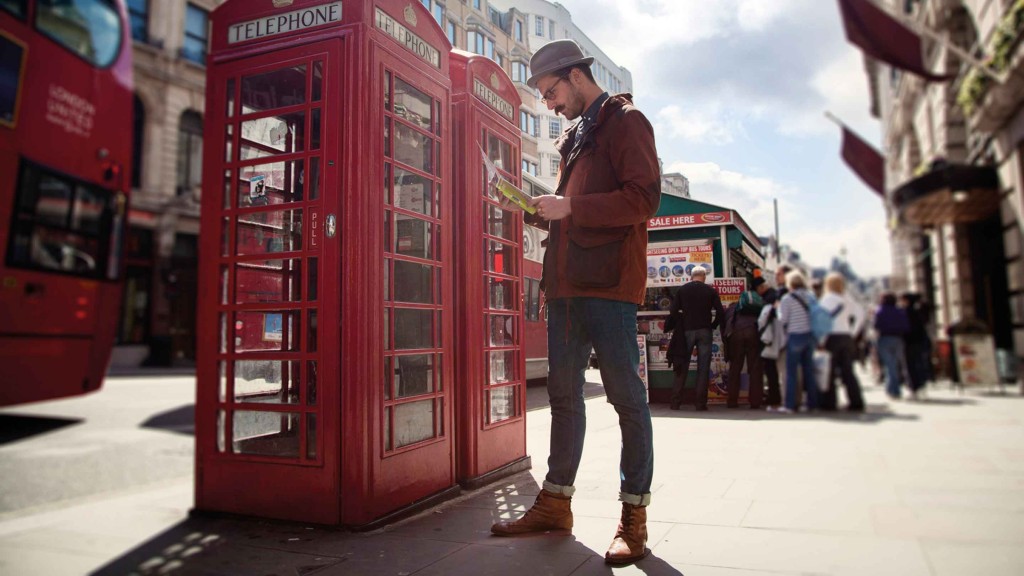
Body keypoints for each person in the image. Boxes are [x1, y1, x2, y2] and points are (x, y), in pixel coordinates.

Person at [488, 39, 661, 567]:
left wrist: (570, 206)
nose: (549, 104)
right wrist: (539, 212)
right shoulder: (574, 135)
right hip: (564, 286)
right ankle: (555, 503)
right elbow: (574, 211)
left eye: (551, 92)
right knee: (563, 399)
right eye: (544, 96)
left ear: (576, 74)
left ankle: (634, 518)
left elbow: (643, 198)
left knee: (627, 400)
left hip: (608, 285)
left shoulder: (626, 121)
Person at [664, 266, 725, 412]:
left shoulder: (682, 290)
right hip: (705, 331)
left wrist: (683, 319)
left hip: (687, 331)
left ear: (692, 276)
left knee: (682, 365)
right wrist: (712, 325)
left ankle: (675, 402)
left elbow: (672, 311)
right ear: (703, 276)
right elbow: (720, 312)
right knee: (703, 368)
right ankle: (700, 404)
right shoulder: (710, 291)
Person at [818, 273, 866, 412]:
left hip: (831, 337)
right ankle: (856, 401)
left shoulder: (826, 299)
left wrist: (821, 340)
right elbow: (860, 315)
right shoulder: (847, 299)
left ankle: (829, 403)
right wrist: (853, 332)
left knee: (830, 372)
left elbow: (824, 321)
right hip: (846, 336)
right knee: (848, 371)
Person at [778, 270, 819, 413]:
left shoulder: (787, 298)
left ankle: (790, 405)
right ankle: (812, 404)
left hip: (795, 335)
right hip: (810, 336)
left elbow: (783, 320)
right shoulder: (811, 296)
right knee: (809, 371)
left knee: (791, 372)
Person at [724, 277, 767, 409]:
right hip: (753, 333)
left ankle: (732, 401)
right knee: (755, 368)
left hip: (736, 335)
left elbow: (726, 326)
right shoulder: (758, 306)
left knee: (735, 368)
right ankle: (755, 401)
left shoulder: (733, 308)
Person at [875, 292, 910, 399]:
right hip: (897, 339)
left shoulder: (880, 311)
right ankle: (893, 388)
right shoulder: (900, 311)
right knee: (895, 364)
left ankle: (894, 389)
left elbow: (876, 325)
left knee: (889, 365)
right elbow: (906, 326)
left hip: (884, 338)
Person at [758, 285, 785, 410]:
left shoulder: (767, 308)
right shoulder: (782, 308)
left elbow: (761, 323)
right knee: (783, 373)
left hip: (769, 343)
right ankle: (784, 398)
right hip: (784, 343)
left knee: (771, 373)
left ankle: (774, 398)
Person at [901, 292, 932, 400]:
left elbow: (904, 328)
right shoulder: (919, 311)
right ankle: (922, 386)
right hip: (921, 340)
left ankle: (914, 388)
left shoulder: (905, 312)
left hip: (909, 341)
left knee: (910, 365)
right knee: (920, 363)